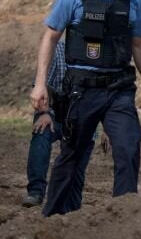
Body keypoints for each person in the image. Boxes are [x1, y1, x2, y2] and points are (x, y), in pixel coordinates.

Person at [29, 0, 141, 216]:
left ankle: (123, 215)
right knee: (72, 154)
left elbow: (140, 44)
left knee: (128, 143)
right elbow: (50, 37)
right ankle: (51, 218)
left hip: (119, 89)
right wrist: (40, 84)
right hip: (81, 90)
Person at [22, 41, 96, 207]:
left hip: (81, 119)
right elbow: (41, 84)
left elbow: (103, 95)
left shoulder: (97, 55)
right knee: (41, 131)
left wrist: (107, 128)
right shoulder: (57, 50)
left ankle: (70, 197)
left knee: (79, 155)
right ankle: (36, 191)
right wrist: (44, 113)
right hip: (54, 114)